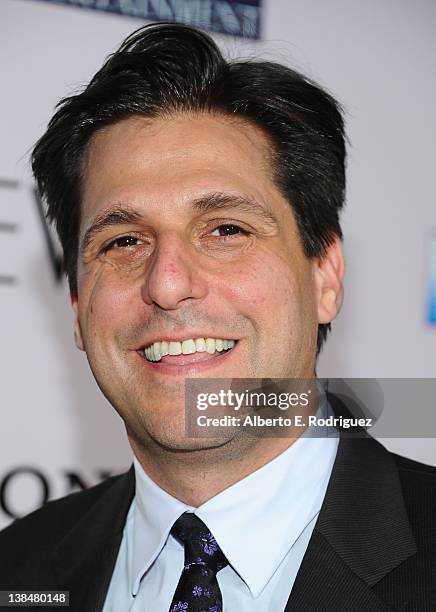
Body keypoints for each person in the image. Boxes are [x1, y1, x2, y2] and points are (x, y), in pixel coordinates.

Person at [0, 22, 435, 612]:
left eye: (226, 230)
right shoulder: (19, 569)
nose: (168, 283)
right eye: (124, 241)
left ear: (325, 275)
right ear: (77, 308)